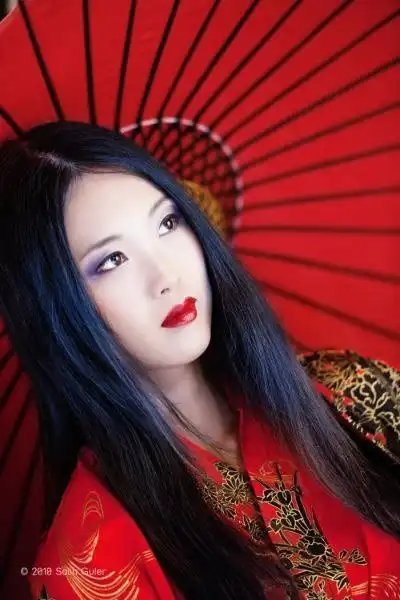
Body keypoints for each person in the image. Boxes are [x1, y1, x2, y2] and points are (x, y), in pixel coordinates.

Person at [0, 121, 399, 600]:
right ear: (55, 308)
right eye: (112, 261)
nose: (166, 276)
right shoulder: (89, 566)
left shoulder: (352, 390)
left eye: (168, 223)